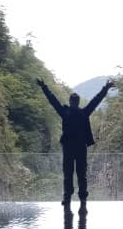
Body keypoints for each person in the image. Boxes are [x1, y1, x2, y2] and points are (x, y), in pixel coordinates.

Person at [36, 77, 115, 210]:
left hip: (68, 147)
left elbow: (53, 100)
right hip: (81, 148)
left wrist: (44, 87)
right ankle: (82, 199)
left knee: (68, 174)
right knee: (81, 174)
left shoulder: (64, 112)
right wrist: (106, 88)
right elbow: (96, 100)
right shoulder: (84, 113)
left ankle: (67, 198)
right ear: (78, 102)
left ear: (70, 101)